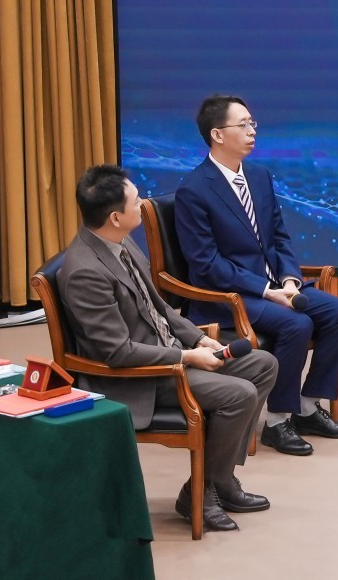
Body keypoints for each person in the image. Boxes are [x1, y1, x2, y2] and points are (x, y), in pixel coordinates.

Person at [56, 164, 278, 533]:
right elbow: (118, 353)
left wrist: (197, 338)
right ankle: (202, 491)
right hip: (138, 378)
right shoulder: (85, 272)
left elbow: (157, 306)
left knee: (263, 365)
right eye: (135, 201)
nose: (142, 203)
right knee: (239, 394)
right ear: (115, 217)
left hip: (169, 353)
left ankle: (216, 480)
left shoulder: (119, 240)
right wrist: (186, 357)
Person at [174, 95, 338, 456]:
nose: (252, 131)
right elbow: (206, 264)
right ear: (217, 134)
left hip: (275, 286)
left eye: (252, 123)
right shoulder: (194, 190)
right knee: (296, 324)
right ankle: (277, 421)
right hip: (228, 296)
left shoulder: (259, 176)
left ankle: (307, 407)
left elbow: (279, 237)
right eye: (242, 124)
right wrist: (265, 289)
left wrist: (289, 280)